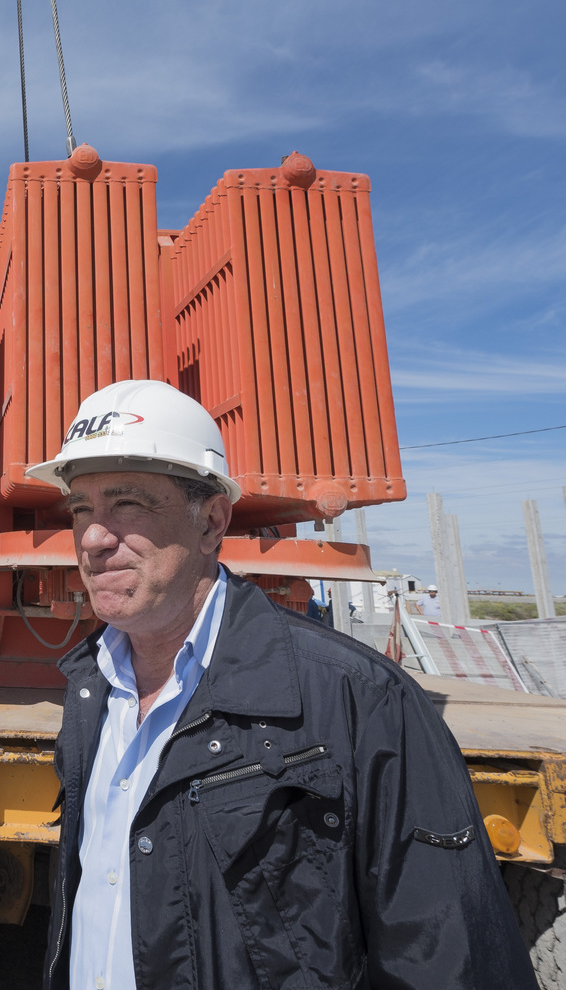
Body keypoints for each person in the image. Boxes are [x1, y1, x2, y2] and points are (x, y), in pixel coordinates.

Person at [29, 380, 536, 990]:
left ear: (212, 520)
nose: (91, 539)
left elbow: (447, 960)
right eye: (80, 509)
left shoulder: (360, 700)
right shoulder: (91, 688)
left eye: (127, 505)